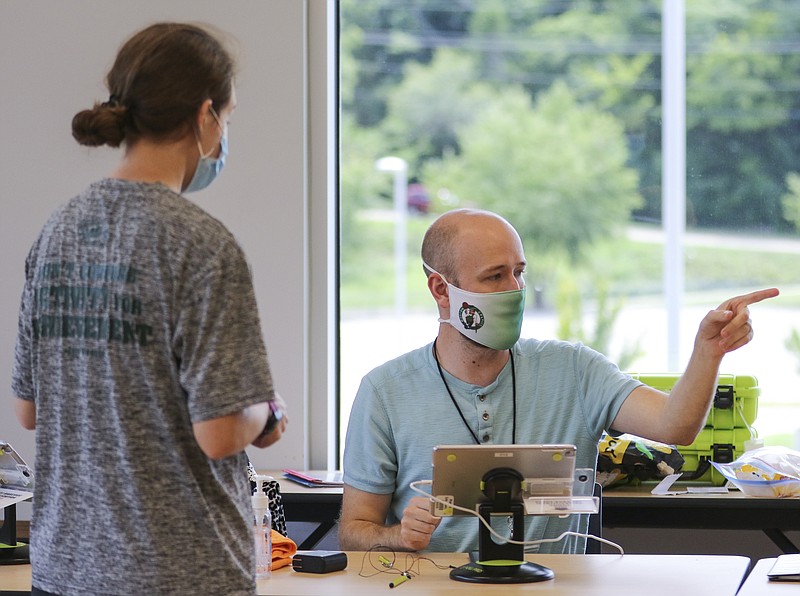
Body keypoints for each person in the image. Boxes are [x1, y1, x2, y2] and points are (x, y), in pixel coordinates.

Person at [11, 22, 288, 596]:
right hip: (179, 574)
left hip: (63, 569)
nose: (223, 135)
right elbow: (219, 433)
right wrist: (265, 411)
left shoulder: (57, 232)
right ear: (205, 116)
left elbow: (28, 411)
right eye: (227, 120)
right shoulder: (201, 245)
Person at [339, 208, 778, 554]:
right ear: (441, 289)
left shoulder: (572, 369)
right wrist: (398, 536)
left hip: (553, 586)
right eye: (495, 276)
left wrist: (708, 352)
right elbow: (354, 530)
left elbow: (675, 427)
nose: (514, 288)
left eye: (520, 272)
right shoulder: (385, 391)